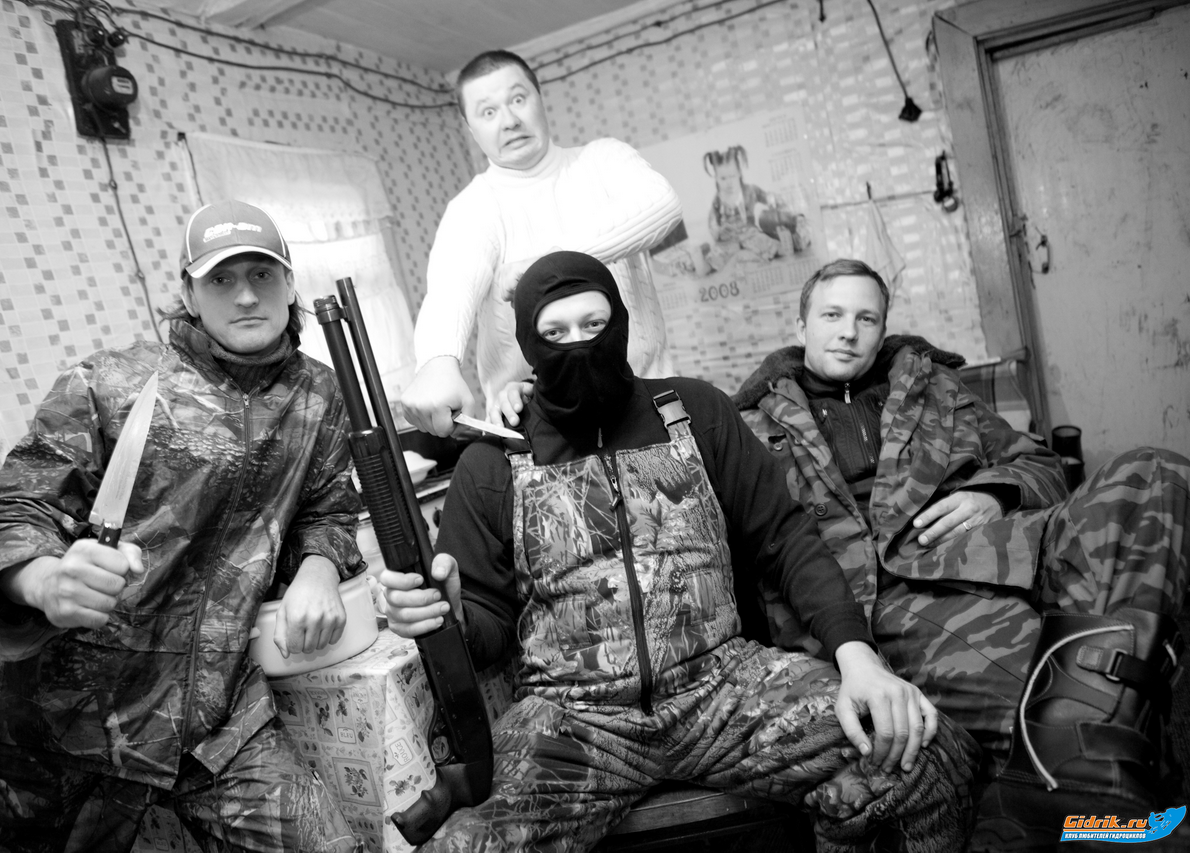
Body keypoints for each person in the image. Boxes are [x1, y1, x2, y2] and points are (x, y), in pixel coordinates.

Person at [382, 251, 979, 852]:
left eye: (594, 324)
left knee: (922, 755)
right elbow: (485, 623)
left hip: (723, 691)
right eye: (554, 333)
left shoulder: (695, 411)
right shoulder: (492, 462)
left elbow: (785, 539)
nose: (579, 345)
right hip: (571, 722)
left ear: (620, 323)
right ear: (528, 346)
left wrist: (858, 656)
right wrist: (449, 618)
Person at [732, 258, 1190, 843]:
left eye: (866, 318)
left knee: (1156, 472)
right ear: (801, 325)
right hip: (901, 591)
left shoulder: (936, 387)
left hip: (1009, 544)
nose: (848, 332)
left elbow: (1040, 463)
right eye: (832, 315)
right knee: (1048, 692)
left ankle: (1081, 779)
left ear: (882, 328)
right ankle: (1107, 815)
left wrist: (995, 493)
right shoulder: (750, 427)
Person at [0, 200, 362, 853]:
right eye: (221, 279)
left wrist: (319, 567)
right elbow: (11, 511)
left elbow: (327, 508)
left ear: (290, 283)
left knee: (330, 844)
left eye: (262, 274)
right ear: (189, 294)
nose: (245, 295)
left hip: (219, 712)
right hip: (70, 716)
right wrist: (45, 581)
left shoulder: (320, 394)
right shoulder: (111, 384)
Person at [400, 50, 682, 436]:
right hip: (537, 426)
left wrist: (542, 264)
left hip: (650, 406)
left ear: (539, 99)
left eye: (518, 99)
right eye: (488, 112)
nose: (509, 120)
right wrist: (436, 361)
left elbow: (662, 204)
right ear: (470, 128)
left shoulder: (602, 160)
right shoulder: (472, 208)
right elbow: (451, 289)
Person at [702, 145, 810, 271]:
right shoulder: (718, 199)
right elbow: (712, 221)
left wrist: (777, 202)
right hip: (728, 241)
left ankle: (793, 240)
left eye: (732, 176)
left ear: (739, 173)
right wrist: (719, 231)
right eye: (723, 178)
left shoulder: (750, 191)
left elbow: (767, 197)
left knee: (774, 247)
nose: (729, 182)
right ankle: (704, 258)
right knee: (714, 259)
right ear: (716, 178)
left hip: (751, 235)